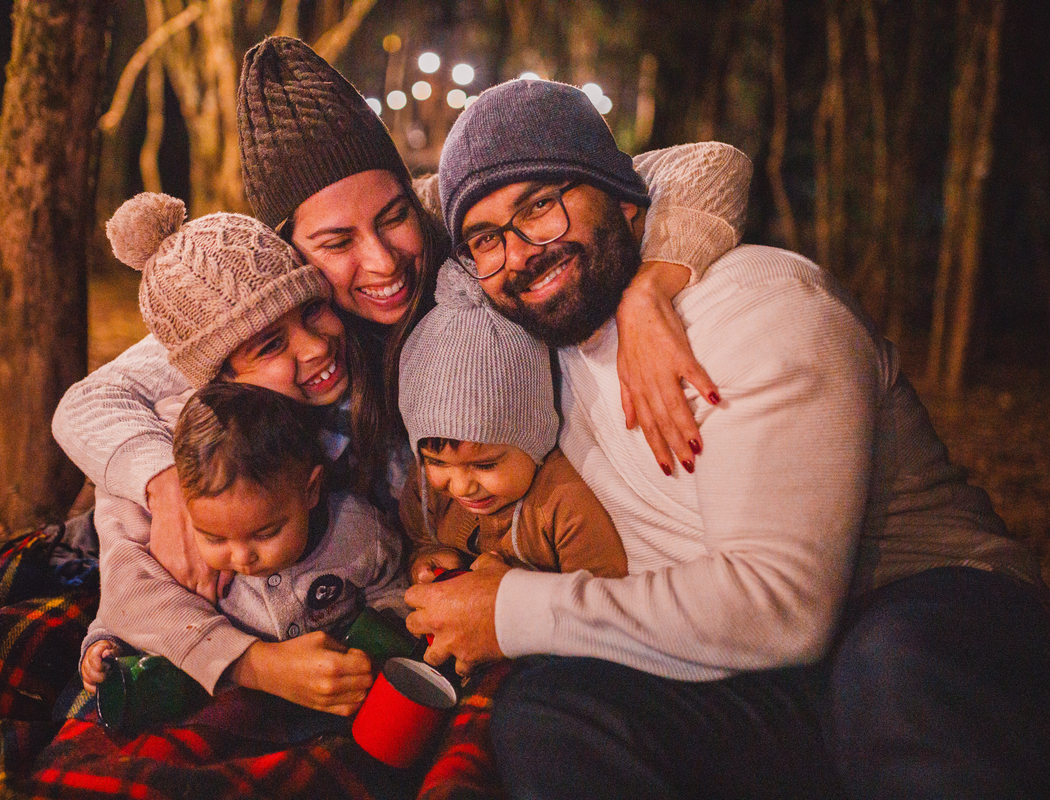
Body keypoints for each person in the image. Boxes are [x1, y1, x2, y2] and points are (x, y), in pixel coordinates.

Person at [404, 77, 1050, 799]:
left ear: (624, 196)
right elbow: (385, 205)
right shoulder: (531, 343)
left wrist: (513, 610)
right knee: (551, 713)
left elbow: (780, 608)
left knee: (890, 664)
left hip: (923, 616)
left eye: (540, 208)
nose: (520, 253)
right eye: (486, 240)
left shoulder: (758, 309)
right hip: (764, 679)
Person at [51, 35, 752, 603]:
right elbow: (90, 400)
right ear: (288, 254)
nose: (383, 261)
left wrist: (650, 290)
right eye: (335, 244)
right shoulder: (268, 311)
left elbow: (703, 165)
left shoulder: (457, 221)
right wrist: (166, 487)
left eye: (393, 218)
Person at [78, 193, 404, 704]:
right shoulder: (174, 447)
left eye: (313, 310)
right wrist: (255, 666)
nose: (316, 346)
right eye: (270, 344)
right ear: (219, 374)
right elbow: (129, 593)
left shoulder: (359, 406)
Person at [81, 382, 407, 720]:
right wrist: (104, 644)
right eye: (214, 538)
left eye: (266, 533)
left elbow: (391, 587)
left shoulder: (358, 532)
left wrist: (380, 642)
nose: (240, 558)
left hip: (341, 695)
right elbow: (129, 611)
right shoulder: (185, 560)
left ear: (310, 491)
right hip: (231, 703)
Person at [397, 262, 626, 586]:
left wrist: (517, 604)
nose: (461, 487)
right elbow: (417, 543)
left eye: (486, 464)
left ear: (535, 438)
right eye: (437, 462)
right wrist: (425, 558)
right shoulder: (425, 491)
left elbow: (605, 609)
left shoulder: (564, 506)